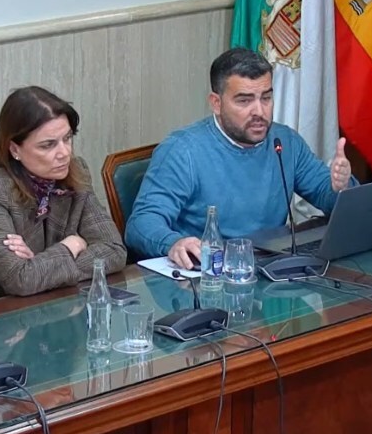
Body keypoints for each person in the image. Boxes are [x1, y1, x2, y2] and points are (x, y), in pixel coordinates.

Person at [125, 47, 356, 268]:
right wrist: (173, 243)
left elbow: (331, 201)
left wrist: (341, 187)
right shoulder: (182, 151)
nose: (259, 111)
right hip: (206, 279)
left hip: (269, 270)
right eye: (244, 101)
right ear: (216, 103)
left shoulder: (285, 141)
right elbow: (141, 225)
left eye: (266, 98)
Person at [0, 86, 127, 309]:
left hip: (54, 307)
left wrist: (38, 264)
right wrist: (72, 245)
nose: (64, 153)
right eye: (48, 145)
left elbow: (114, 251)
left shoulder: (76, 173)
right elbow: (20, 280)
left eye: (67, 138)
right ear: (15, 149)